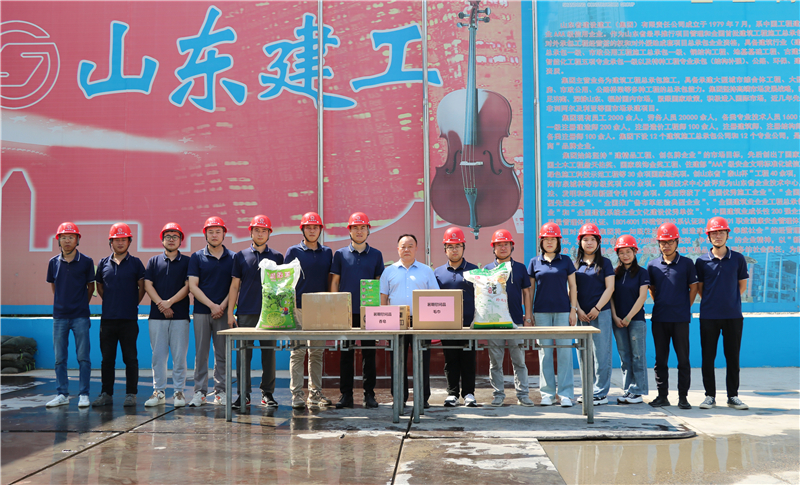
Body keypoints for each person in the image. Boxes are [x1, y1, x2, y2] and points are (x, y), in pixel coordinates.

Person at [227, 215, 283, 409]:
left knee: (269, 355)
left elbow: (282, 287)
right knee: (243, 355)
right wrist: (230, 313)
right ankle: (243, 394)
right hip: (245, 312)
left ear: (269, 233)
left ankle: (268, 393)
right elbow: (235, 286)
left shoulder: (277, 257)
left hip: (270, 314)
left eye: (264, 230)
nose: (260, 234)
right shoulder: (240, 256)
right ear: (251, 232)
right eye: (257, 230)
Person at [695, 217, 750, 411]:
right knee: (708, 357)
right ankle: (709, 396)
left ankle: (733, 396)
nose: (717, 236)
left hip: (733, 316)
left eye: (721, 232)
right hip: (708, 316)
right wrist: (714, 301)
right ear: (708, 236)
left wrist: (729, 301)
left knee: (732, 357)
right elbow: (700, 288)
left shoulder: (738, 259)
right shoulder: (701, 261)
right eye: (714, 233)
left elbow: (742, 286)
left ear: (727, 235)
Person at [331, 212, 384, 409]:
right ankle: (346, 395)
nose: (359, 231)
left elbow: (379, 282)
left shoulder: (376, 255)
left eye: (363, 228)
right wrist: (336, 307)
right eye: (355, 228)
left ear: (368, 230)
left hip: (368, 312)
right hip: (346, 312)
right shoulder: (340, 254)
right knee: (346, 354)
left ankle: (369, 394)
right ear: (349, 231)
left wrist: (378, 311)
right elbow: (335, 282)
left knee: (369, 354)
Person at [381, 234, 439, 408]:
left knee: (422, 360)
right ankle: (399, 398)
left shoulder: (426, 271)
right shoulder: (389, 271)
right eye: (403, 246)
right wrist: (383, 323)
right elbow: (383, 298)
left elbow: (435, 296)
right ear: (398, 249)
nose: (406, 249)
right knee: (397, 361)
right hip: (395, 321)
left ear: (416, 248)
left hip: (422, 321)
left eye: (410, 246)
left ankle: (422, 398)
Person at [92, 223, 146, 407]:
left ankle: (131, 394)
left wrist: (131, 304)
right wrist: (111, 302)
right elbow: (100, 287)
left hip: (129, 320)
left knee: (130, 358)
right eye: (117, 240)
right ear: (111, 242)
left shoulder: (136, 263)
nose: (120, 243)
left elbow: (142, 287)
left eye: (124, 239)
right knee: (107, 359)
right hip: (108, 320)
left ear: (129, 241)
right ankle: (106, 393)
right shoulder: (103, 263)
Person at [647, 222, 699, 410]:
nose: (666, 245)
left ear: (677, 242)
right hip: (659, 319)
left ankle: (683, 397)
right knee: (660, 360)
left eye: (670, 242)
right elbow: (652, 289)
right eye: (663, 242)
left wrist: (684, 306)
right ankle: (662, 396)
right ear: (658, 244)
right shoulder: (652, 265)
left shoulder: (687, 264)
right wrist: (662, 303)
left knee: (683, 359)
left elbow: (694, 288)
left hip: (680, 320)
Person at [284, 212, 334, 409]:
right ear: (302, 229)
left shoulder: (327, 252)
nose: (312, 230)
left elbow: (330, 280)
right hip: (298, 307)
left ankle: (315, 394)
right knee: (297, 352)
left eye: (315, 227)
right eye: (308, 227)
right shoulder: (293, 251)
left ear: (320, 230)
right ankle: (297, 395)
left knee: (317, 353)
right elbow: (286, 281)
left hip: (320, 309)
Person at [527, 223, 578, 408]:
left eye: (553, 239)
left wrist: (573, 310)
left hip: (563, 312)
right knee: (545, 354)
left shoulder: (566, 261)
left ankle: (566, 394)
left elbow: (573, 286)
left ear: (558, 242)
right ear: (541, 242)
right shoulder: (534, 262)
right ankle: (547, 394)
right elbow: (530, 290)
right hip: (541, 312)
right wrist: (529, 314)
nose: (549, 242)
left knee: (565, 353)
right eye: (546, 239)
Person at [46, 222, 95, 408]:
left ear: (77, 240)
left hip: (80, 316)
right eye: (63, 237)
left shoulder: (86, 261)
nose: (67, 241)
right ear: (58, 240)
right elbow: (54, 286)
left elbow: (91, 287)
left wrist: (81, 304)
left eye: (71, 237)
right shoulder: (53, 262)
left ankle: (84, 394)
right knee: (60, 358)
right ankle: (62, 394)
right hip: (59, 317)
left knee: (83, 357)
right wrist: (62, 303)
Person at [188, 216, 236, 407]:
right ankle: (199, 392)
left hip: (223, 313)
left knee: (222, 353)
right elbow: (193, 286)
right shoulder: (197, 257)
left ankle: (221, 391)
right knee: (201, 353)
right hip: (202, 312)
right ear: (205, 234)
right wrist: (211, 306)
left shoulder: (233, 258)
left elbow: (235, 286)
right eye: (210, 232)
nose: (214, 235)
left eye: (218, 231)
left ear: (224, 234)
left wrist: (222, 307)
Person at [484, 229, 534, 407]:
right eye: (499, 244)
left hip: (516, 322)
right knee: (495, 362)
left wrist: (528, 317)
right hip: (494, 323)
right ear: (493, 248)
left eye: (506, 244)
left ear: (512, 246)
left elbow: (527, 293)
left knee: (519, 360)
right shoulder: (487, 270)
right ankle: (498, 394)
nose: (503, 247)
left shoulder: (520, 268)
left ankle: (523, 395)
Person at [143, 223, 191, 408]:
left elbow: (188, 286)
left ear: (180, 240)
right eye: (168, 236)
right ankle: (159, 391)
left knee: (179, 357)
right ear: (162, 239)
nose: (171, 239)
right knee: (158, 356)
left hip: (180, 316)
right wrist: (162, 305)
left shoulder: (187, 262)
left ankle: (179, 391)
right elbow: (148, 285)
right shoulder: (154, 261)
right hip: (157, 317)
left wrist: (170, 302)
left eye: (175, 236)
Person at [434, 227, 479, 407]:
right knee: (450, 359)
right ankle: (452, 393)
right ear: (445, 249)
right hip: (447, 324)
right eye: (450, 246)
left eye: (458, 246)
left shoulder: (474, 270)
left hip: (469, 324)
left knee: (468, 360)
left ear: (463, 248)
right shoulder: (438, 272)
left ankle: (469, 393)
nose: (454, 250)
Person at [573, 223, 615, 406]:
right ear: (580, 242)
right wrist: (578, 310)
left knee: (602, 353)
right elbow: (571, 290)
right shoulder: (575, 265)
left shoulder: (605, 263)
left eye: (592, 239)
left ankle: (601, 393)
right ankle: (587, 390)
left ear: (598, 242)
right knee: (583, 354)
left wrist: (597, 308)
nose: (589, 243)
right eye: (585, 239)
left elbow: (610, 288)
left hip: (601, 313)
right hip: (581, 315)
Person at [610, 235, 650, 404]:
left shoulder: (642, 273)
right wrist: (615, 316)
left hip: (636, 321)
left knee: (637, 356)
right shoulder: (615, 274)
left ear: (635, 252)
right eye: (621, 252)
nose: (625, 255)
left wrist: (628, 317)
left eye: (628, 251)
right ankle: (628, 390)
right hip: (618, 321)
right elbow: (611, 296)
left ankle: (638, 391)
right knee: (624, 357)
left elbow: (642, 297)